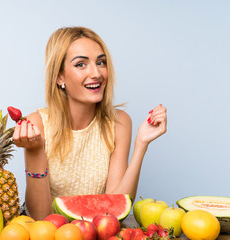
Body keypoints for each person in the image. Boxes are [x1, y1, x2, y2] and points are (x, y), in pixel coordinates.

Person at [12, 26, 167, 220]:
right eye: (81, 64)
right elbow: (41, 218)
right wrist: (35, 150)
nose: (96, 73)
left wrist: (141, 144)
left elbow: (115, 206)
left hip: (95, 230)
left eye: (101, 62)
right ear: (59, 76)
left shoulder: (118, 122)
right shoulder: (38, 124)